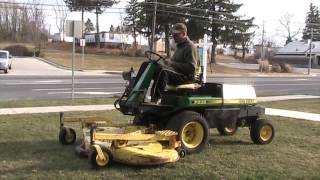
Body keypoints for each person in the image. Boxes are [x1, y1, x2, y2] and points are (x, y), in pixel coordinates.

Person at [135, 23, 198, 102]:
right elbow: (175, 64)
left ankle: (155, 99)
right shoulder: (179, 46)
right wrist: (169, 62)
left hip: (185, 77)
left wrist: (172, 64)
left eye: (176, 35)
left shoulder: (190, 47)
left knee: (163, 71)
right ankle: (135, 93)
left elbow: (191, 68)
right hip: (177, 73)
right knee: (148, 64)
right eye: (173, 35)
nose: (174, 37)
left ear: (184, 34)